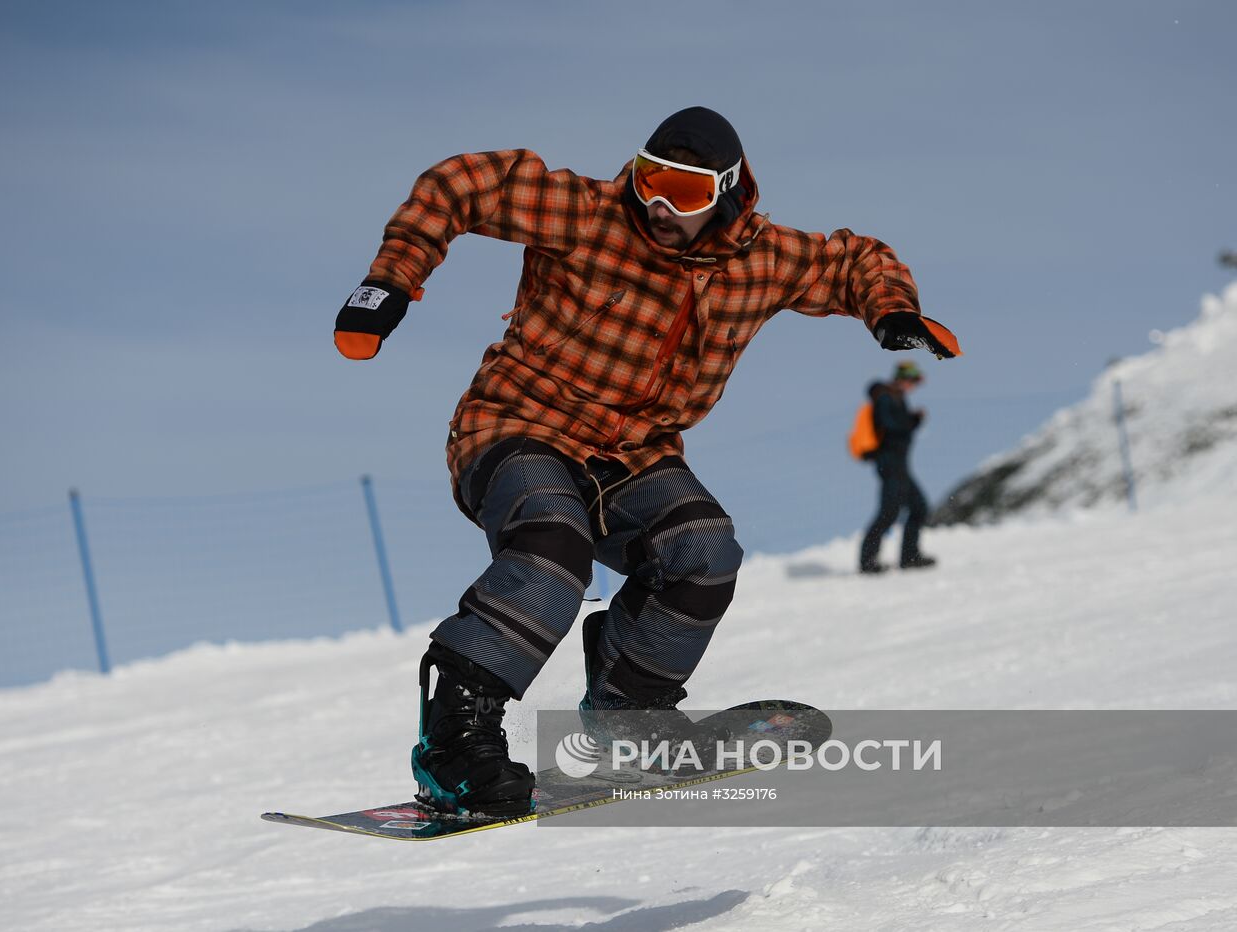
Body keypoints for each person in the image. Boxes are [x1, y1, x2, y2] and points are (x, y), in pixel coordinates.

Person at [334, 106, 959, 817]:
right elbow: (461, 183)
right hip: (517, 424)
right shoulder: (586, 214)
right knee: (552, 547)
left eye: (685, 193)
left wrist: (891, 309)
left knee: (703, 551)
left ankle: (630, 715)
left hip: (634, 452)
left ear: (726, 192)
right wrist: (391, 279)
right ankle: (454, 740)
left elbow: (855, 260)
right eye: (650, 179)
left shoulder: (761, 259)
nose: (659, 205)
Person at [858, 360, 936, 574]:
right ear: (904, 379)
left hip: (900, 465)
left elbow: (897, 426)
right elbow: (890, 426)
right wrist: (913, 421)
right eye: (913, 381)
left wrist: (911, 420)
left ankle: (909, 557)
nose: (914, 386)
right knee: (889, 512)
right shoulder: (885, 398)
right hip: (890, 464)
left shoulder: (896, 397)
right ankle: (868, 562)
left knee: (918, 507)